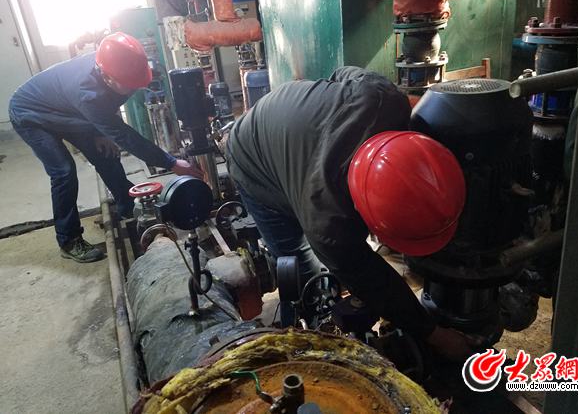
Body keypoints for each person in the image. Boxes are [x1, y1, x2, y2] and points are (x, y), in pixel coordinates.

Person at [226, 66, 475, 360]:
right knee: (304, 276)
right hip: (251, 159)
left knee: (340, 265)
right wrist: (434, 334)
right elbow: (374, 281)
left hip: (286, 117)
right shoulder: (327, 222)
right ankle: (310, 344)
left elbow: (341, 73)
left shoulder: (384, 98)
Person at [9, 32, 202, 263]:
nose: (133, 89)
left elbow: (108, 105)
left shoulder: (114, 63)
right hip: (31, 115)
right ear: (107, 78)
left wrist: (100, 132)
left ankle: (128, 206)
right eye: (129, 85)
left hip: (68, 110)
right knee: (63, 171)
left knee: (106, 154)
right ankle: (68, 240)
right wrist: (171, 162)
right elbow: (125, 136)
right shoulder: (88, 93)